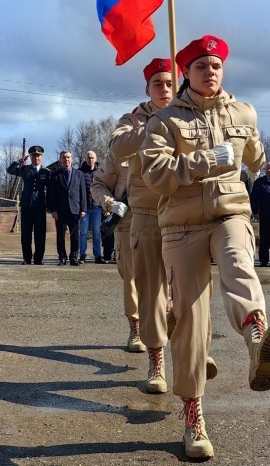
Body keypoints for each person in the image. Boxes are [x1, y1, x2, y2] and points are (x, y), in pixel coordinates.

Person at [141, 35, 270, 460]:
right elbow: (156, 175)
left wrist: (254, 147)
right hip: (181, 227)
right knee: (189, 319)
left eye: (216, 65)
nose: (211, 72)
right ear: (186, 73)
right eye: (201, 66)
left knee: (239, 262)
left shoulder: (243, 111)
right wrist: (206, 161)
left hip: (229, 214)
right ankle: (193, 413)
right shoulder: (165, 120)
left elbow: (257, 159)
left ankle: (257, 338)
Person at [110, 58, 176, 394]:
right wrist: (152, 126)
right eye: (158, 84)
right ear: (147, 89)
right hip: (146, 215)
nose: (165, 89)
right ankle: (157, 363)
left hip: (183, 212)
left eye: (170, 83)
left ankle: (191, 353)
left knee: (185, 294)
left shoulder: (189, 113)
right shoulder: (133, 118)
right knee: (149, 292)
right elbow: (118, 145)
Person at [90, 151, 142, 351]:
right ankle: (136, 329)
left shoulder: (168, 140)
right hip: (127, 224)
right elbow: (98, 185)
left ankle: (162, 320)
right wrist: (111, 203)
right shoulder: (121, 152)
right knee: (130, 277)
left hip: (161, 223)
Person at [7, 145, 51, 265]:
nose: (36, 158)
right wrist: (18, 162)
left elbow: (50, 190)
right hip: (27, 206)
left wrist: (49, 205)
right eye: (34, 156)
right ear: (30, 157)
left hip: (40, 207)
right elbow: (10, 170)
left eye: (38, 156)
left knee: (40, 234)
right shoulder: (25, 169)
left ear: (41, 157)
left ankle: (38, 259)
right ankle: (27, 258)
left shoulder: (46, 172)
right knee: (26, 234)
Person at [47, 150, 87, 265]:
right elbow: (51, 194)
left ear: (72, 159)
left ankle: (74, 257)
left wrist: (83, 209)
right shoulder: (55, 175)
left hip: (75, 209)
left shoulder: (79, 174)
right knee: (60, 235)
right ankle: (62, 257)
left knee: (75, 235)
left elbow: (83, 192)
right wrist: (53, 209)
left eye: (68, 157)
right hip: (60, 210)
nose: (66, 160)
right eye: (64, 158)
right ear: (61, 160)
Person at [78, 151, 104, 264]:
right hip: (84, 208)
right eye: (88, 158)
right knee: (83, 232)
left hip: (97, 207)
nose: (90, 160)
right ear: (86, 159)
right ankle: (82, 255)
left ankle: (97, 255)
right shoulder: (80, 172)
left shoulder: (101, 172)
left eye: (92, 158)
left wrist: (104, 204)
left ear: (96, 159)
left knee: (96, 232)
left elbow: (104, 188)